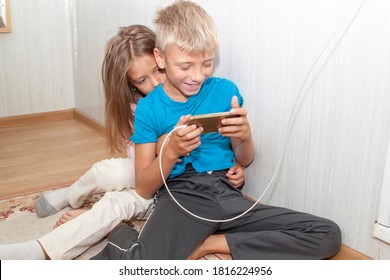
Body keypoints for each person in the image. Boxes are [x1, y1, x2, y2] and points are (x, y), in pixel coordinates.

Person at [92, 0, 342, 260]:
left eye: (207, 63)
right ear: (160, 58)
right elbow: (143, 187)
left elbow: (244, 158)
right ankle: (121, 233)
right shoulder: (149, 109)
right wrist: (169, 152)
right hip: (182, 196)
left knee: (326, 234)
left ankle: (211, 243)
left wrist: (244, 136)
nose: (197, 76)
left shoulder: (226, 91)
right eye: (186, 66)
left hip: (227, 193)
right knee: (143, 265)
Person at [0, 24, 245, 260]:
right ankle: (72, 194)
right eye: (142, 81)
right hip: (148, 170)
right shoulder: (140, 106)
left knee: (117, 203)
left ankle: (47, 244)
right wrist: (165, 143)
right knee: (109, 172)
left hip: (176, 180)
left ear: (164, 59)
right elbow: (140, 162)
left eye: (157, 72)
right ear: (130, 85)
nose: (156, 83)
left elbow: (220, 145)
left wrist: (236, 162)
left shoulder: (197, 90)